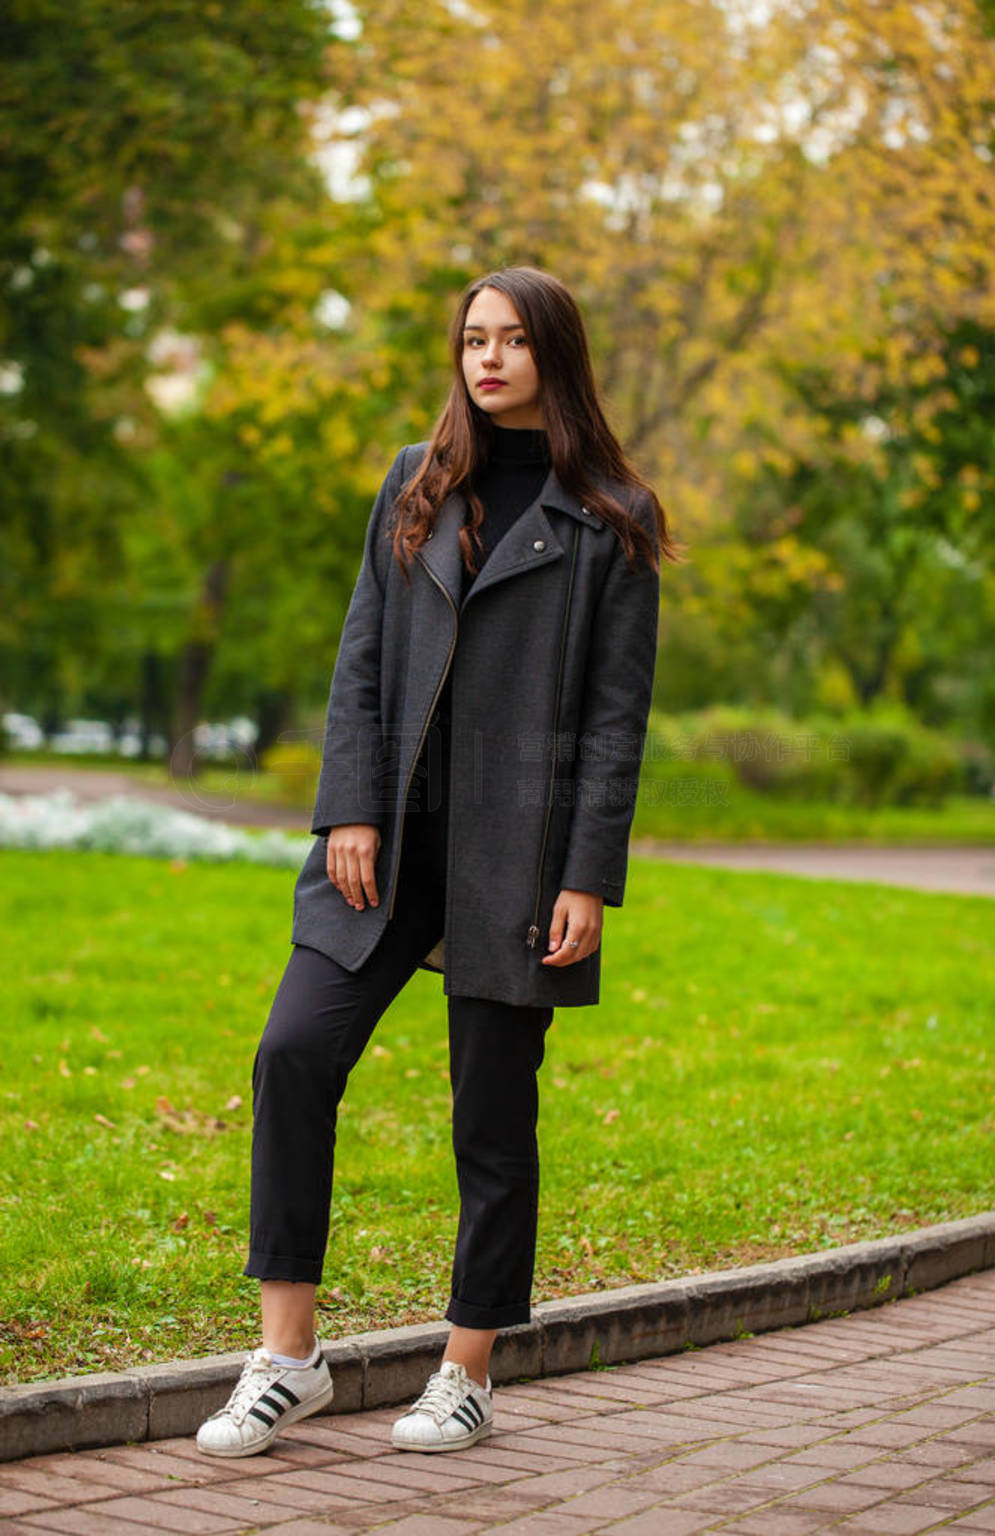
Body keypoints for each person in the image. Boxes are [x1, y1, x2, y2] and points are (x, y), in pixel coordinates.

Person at [196, 265, 673, 1460]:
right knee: (293, 1054)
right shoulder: (416, 484)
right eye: (473, 338)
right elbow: (361, 659)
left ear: (553, 355)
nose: (488, 358)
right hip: (386, 848)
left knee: (491, 1120)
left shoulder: (610, 513)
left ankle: (465, 1370)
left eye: (512, 339)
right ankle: (287, 1358)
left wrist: (584, 877)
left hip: (517, 863)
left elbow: (616, 722)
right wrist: (346, 808)